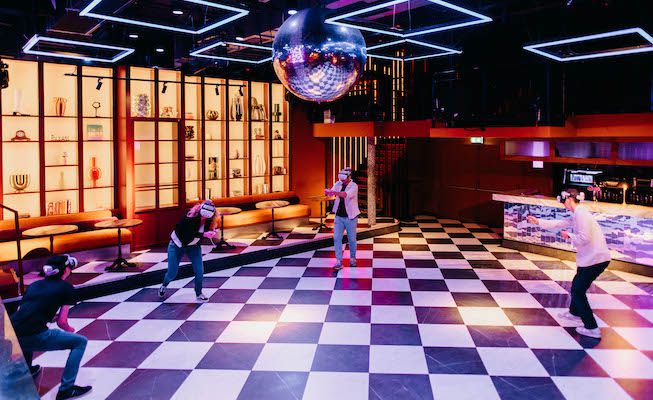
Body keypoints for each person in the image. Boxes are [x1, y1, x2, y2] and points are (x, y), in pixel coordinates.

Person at [527, 188, 611, 339]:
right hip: (591, 258)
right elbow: (561, 223)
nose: (562, 203)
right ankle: (574, 313)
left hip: (595, 259)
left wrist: (568, 235)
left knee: (578, 291)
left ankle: (592, 328)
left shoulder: (581, 214)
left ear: (569, 199)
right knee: (577, 286)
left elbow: (584, 237)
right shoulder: (579, 212)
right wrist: (538, 221)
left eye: (563, 200)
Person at [10, 255, 92, 400]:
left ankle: (27, 369)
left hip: (12, 333)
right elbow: (62, 322)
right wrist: (71, 330)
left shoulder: (34, 285)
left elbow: (24, 311)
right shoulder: (66, 288)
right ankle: (66, 389)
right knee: (80, 342)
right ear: (66, 270)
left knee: (27, 329)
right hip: (34, 335)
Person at [159, 200, 217, 301]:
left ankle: (199, 293)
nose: (206, 216)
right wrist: (203, 234)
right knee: (172, 272)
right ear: (201, 209)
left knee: (199, 271)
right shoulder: (189, 217)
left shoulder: (209, 220)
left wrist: (210, 233)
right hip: (177, 245)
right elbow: (186, 235)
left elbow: (200, 234)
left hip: (194, 246)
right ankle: (164, 285)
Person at [325, 167, 360, 270]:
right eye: (341, 179)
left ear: (349, 177)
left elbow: (345, 195)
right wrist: (329, 192)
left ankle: (352, 258)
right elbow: (332, 193)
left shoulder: (354, 186)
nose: (342, 181)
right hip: (339, 217)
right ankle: (339, 261)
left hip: (351, 217)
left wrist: (334, 192)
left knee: (352, 239)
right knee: (336, 238)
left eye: (344, 179)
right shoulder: (338, 183)